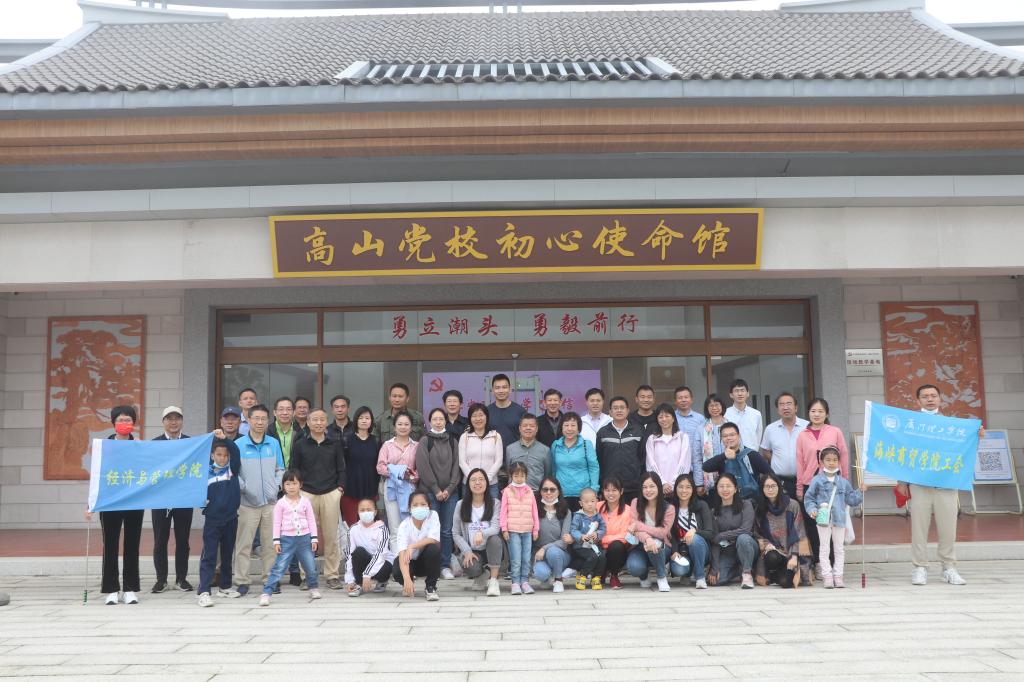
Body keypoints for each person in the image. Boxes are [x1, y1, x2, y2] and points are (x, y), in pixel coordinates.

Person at [898, 384, 983, 587]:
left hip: (946, 483)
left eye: (933, 395)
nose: (930, 399)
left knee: (948, 528)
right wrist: (902, 480)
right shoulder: (911, 425)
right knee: (919, 528)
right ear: (918, 400)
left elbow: (965, 449)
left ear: (940, 399)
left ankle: (948, 567)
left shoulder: (951, 426)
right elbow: (904, 452)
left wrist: (976, 436)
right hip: (919, 482)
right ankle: (920, 567)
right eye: (925, 396)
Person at [85, 405, 144, 605]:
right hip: (110, 502)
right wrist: (90, 504)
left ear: (134, 423)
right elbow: (96, 476)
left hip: (134, 501)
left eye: (128, 420)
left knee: (132, 545)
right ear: (113, 423)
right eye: (120, 420)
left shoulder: (140, 447)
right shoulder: (104, 447)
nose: (124, 423)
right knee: (110, 545)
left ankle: (130, 588)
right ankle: (111, 589)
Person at [289, 408, 346, 590]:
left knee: (331, 537)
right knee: (306, 537)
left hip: (330, 493)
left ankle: (332, 575)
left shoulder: (334, 443)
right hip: (307, 493)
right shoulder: (300, 444)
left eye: (322, 419)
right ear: (308, 422)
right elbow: (294, 469)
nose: (319, 423)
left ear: (326, 422)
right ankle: (307, 576)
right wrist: (297, 491)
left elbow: (342, 468)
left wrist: (339, 489)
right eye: (315, 419)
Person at [232, 404, 285, 597]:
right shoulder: (238, 444)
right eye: (256, 418)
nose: (260, 422)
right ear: (249, 420)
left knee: (270, 544)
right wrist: (244, 488)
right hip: (246, 503)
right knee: (243, 545)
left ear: (268, 420)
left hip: (270, 503)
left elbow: (280, 469)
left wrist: (276, 487)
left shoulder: (273, 443)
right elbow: (233, 472)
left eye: (263, 419)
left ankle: (270, 579)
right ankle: (242, 581)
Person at [795, 397, 849, 577]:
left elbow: (844, 457)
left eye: (820, 411)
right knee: (814, 525)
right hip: (811, 485)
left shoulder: (835, 432)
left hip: (833, 484)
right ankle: (819, 563)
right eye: (813, 411)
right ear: (808, 413)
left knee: (833, 524)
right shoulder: (803, 435)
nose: (816, 414)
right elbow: (800, 462)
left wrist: (845, 482)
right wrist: (799, 487)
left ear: (827, 413)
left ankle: (833, 564)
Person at [804, 447, 865, 589]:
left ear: (839, 462)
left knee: (839, 548)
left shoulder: (843, 482)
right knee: (824, 547)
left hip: (839, 519)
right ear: (821, 462)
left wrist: (860, 491)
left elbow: (851, 499)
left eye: (835, 460)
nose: (831, 463)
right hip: (823, 519)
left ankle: (838, 576)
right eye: (828, 460)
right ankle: (827, 575)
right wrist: (812, 510)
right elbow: (809, 498)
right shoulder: (816, 480)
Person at [259, 470, 320, 606]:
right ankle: (267, 593)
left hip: (304, 538)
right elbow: (276, 523)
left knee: (310, 566)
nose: (291, 487)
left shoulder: (306, 502)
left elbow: (311, 521)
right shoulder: (280, 503)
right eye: (288, 484)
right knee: (279, 567)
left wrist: (314, 538)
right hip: (287, 539)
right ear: (283, 486)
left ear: (300, 485)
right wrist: (276, 540)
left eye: (294, 483)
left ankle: (313, 587)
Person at [150, 405, 194, 594]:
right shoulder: (154, 444)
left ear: (182, 421)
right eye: (169, 418)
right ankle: (161, 580)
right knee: (160, 540)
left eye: (177, 418)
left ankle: (181, 579)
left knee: (183, 540)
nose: (173, 422)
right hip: (161, 499)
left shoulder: (191, 443)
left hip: (183, 498)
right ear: (163, 422)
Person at [416, 408, 461, 581]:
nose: (438, 422)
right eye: (434, 419)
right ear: (430, 422)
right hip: (430, 493)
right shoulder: (425, 441)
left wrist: (449, 489)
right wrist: (436, 489)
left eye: (441, 419)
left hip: (451, 494)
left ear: (445, 421)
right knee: (431, 530)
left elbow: (456, 467)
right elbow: (423, 467)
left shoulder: (452, 441)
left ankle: (444, 565)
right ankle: (430, 566)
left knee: (447, 531)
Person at [197, 440, 241, 607]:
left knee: (227, 554)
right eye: (219, 455)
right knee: (209, 555)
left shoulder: (232, 470)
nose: (222, 458)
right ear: (212, 455)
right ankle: (204, 591)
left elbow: (236, 451)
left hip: (231, 518)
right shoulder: (205, 473)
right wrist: (203, 503)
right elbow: (197, 494)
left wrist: (225, 439)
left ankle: (225, 586)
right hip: (212, 520)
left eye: (225, 455)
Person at [452, 469, 503, 597]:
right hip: (473, 551)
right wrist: (467, 551)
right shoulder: (460, 505)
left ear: (487, 483)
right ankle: (482, 575)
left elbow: (496, 528)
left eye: (481, 479)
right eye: (473, 480)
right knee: (470, 566)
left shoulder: (495, 503)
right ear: (468, 484)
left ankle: (493, 581)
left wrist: (482, 533)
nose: (477, 483)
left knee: (495, 539)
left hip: (491, 549)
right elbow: (455, 533)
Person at [754, 472, 810, 589]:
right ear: (762, 489)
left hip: (791, 552)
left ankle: (781, 573)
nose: (770, 489)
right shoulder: (760, 509)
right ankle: (775, 572)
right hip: (773, 552)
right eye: (767, 486)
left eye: (773, 486)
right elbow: (757, 534)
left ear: (779, 487)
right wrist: (767, 544)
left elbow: (799, 532)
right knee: (772, 558)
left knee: (786, 583)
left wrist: (794, 556)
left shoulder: (792, 505)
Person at [626, 473, 675, 592]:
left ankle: (661, 577)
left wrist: (638, 525)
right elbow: (634, 531)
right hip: (639, 546)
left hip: (662, 547)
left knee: (655, 543)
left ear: (659, 487)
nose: (648, 490)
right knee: (634, 567)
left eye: (652, 486)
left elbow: (662, 533)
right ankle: (644, 575)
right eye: (645, 487)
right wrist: (647, 538)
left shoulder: (669, 508)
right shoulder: (636, 502)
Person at [703, 422, 772, 505]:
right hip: (728, 502)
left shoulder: (751, 455)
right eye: (725, 436)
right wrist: (724, 456)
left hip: (752, 502)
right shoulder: (722, 458)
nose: (729, 438)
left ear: (739, 436)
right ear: (721, 439)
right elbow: (706, 467)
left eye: (732, 435)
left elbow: (770, 474)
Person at [376, 412, 419, 543]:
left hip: (410, 488)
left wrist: (411, 477)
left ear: (411, 427)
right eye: (400, 424)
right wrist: (398, 473)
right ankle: (396, 555)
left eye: (406, 424)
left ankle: (410, 554)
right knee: (395, 526)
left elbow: (420, 468)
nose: (403, 427)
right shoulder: (387, 445)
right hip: (391, 487)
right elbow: (380, 467)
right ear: (394, 427)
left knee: (410, 524)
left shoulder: (416, 446)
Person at [709, 473, 757, 588]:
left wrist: (721, 535)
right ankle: (737, 571)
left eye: (728, 486)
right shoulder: (714, 512)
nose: (725, 489)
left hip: (747, 547)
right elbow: (715, 541)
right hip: (728, 553)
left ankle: (747, 573)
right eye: (721, 486)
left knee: (743, 538)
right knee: (717, 581)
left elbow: (746, 530)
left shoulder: (746, 505)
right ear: (717, 489)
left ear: (735, 489)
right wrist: (714, 568)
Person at [393, 491, 442, 601]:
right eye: (415, 505)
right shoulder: (404, 525)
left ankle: (430, 587)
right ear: (409, 508)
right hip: (410, 562)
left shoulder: (433, 515)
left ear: (429, 506)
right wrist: (406, 578)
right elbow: (402, 553)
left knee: (433, 549)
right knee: (397, 568)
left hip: (426, 562)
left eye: (423, 504)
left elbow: (433, 539)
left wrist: (412, 546)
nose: (419, 507)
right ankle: (408, 584)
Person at [596, 396, 646, 502]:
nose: (619, 410)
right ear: (610, 412)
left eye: (622, 407)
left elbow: (643, 458)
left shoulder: (638, 430)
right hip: (610, 487)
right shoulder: (603, 432)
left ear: (627, 410)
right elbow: (599, 459)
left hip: (633, 486)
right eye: (615, 408)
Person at [759, 393, 809, 501]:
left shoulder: (807, 427)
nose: (785, 407)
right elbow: (766, 451)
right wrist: (778, 461)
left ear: (796, 407)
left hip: (804, 481)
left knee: (806, 510)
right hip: (780, 481)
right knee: (783, 510)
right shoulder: (770, 429)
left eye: (789, 404)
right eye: (781, 404)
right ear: (778, 409)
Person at [501, 461, 540, 595]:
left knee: (526, 558)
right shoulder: (507, 491)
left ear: (526, 476)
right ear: (511, 476)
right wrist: (504, 528)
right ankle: (515, 583)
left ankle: (525, 582)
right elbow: (503, 511)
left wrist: (536, 529)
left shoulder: (530, 491)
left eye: (522, 475)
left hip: (528, 530)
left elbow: (534, 511)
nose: (519, 478)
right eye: (516, 476)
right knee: (516, 559)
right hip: (513, 530)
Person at [669, 474, 713, 589]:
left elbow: (710, 533)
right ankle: (688, 572)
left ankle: (700, 577)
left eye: (688, 487)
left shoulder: (702, 505)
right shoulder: (671, 508)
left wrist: (695, 531)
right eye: (681, 487)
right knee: (679, 570)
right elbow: (671, 535)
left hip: (701, 550)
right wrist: (674, 551)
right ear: (675, 489)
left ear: (693, 489)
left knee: (695, 539)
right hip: (682, 551)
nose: (684, 490)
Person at [550, 412, 599, 511]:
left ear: (578, 428)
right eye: (566, 425)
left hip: (583, 494)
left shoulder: (586, 444)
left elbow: (594, 467)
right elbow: (553, 468)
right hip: (561, 493)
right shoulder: (556, 445)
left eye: (573, 425)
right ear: (561, 427)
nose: (569, 429)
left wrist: (594, 489)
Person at [344, 498, 393, 597]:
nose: (365, 512)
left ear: (375, 512)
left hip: (381, 562)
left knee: (386, 566)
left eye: (369, 510)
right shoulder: (353, 529)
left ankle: (382, 581)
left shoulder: (382, 529)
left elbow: (381, 554)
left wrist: (367, 574)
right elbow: (349, 555)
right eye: (362, 510)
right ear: (358, 512)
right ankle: (359, 584)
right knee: (358, 552)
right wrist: (350, 580)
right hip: (364, 562)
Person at [533, 477, 573, 593]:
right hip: (540, 556)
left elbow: (564, 542)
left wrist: (544, 548)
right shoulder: (534, 511)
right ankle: (548, 576)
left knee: (553, 552)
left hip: (560, 554)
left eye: (552, 489)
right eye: (545, 489)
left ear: (558, 491)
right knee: (541, 573)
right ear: (540, 492)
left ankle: (558, 579)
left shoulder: (566, 512)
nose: (549, 492)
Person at [341, 406, 379, 526]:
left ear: (371, 421)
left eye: (367, 418)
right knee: (352, 525)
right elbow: (342, 465)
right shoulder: (346, 440)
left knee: (369, 524)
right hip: (350, 489)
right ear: (356, 420)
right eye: (361, 418)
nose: (364, 421)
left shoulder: (376, 441)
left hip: (370, 488)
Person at [646, 403, 692, 497]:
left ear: (673, 418)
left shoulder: (683, 437)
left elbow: (684, 462)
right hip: (658, 487)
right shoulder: (652, 439)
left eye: (667, 416)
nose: (664, 419)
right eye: (660, 417)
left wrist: (673, 484)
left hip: (679, 487)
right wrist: (662, 483)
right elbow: (650, 463)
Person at [597, 477, 636, 589]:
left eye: (614, 490)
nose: (611, 494)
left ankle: (614, 575)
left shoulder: (628, 510)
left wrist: (603, 539)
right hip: (599, 547)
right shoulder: (597, 507)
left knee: (616, 545)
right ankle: (601, 572)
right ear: (603, 491)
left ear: (621, 491)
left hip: (618, 550)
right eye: (607, 490)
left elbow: (625, 536)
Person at [458, 403, 503, 499]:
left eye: (481, 415)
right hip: (469, 485)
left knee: (492, 508)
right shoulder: (465, 437)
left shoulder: (495, 436)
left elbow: (499, 461)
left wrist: (486, 478)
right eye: (474, 416)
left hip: (491, 484)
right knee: (468, 508)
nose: (478, 419)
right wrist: (473, 479)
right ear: (470, 418)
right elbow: (462, 462)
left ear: (487, 417)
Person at [570, 488, 607, 590]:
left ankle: (596, 578)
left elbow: (603, 528)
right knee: (592, 557)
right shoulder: (578, 516)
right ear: (581, 503)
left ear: (597, 501)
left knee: (602, 556)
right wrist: (581, 536)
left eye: (592, 501)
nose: (590, 504)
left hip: (594, 545)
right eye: (586, 502)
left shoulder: (598, 516)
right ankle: (582, 576)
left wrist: (597, 534)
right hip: (580, 546)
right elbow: (573, 530)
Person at [673, 386, 707, 496]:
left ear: (691, 399)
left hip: (695, 467)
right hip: (675, 467)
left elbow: (704, 444)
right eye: (680, 398)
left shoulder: (700, 419)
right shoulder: (671, 418)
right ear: (675, 401)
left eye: (686, 397)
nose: (683, 400)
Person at [505, 413, 551, 492]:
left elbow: (547, 474)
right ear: (520, 428)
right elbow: (508, 472)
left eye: (532, 426)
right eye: (525, 426)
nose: (528, 428)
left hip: (537, 492)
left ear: (536, 429)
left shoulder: (545, 450)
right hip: (515, 493)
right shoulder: (510, 449)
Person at [488, 373, 526, 452]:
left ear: (510, 389)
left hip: (515, 455)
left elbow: (526, 435)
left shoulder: (520, 411)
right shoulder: (486, 411)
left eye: (504, 387)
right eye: (497, 388)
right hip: (492, 455)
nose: (501, 391)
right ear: (492, 391)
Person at [724, 379, 763, 451]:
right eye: (736, 391)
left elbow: (758, 436)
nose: (740, 394)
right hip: (731, 454)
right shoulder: (725, 414)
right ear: (731, 395)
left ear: (748, 393)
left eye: (742, 390)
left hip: (752, 453)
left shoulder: (756, 414)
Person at [700, 394, 727, 492]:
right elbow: (696, 455)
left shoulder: (730, 425)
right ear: (707, 408)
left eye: (717, 405)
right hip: (709, 473)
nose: (714, 408)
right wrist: (698, 482)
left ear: (722, 406)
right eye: (711, 405)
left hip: (729, 471)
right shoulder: (701, 428)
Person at [268, 397, 299, 467]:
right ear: (274, 412)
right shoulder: (267, 432)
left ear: (294, 413)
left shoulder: (301, 433)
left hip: (294, 473)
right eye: (281, 409)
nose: (285, 413)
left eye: (288, 409)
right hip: (272, 472)